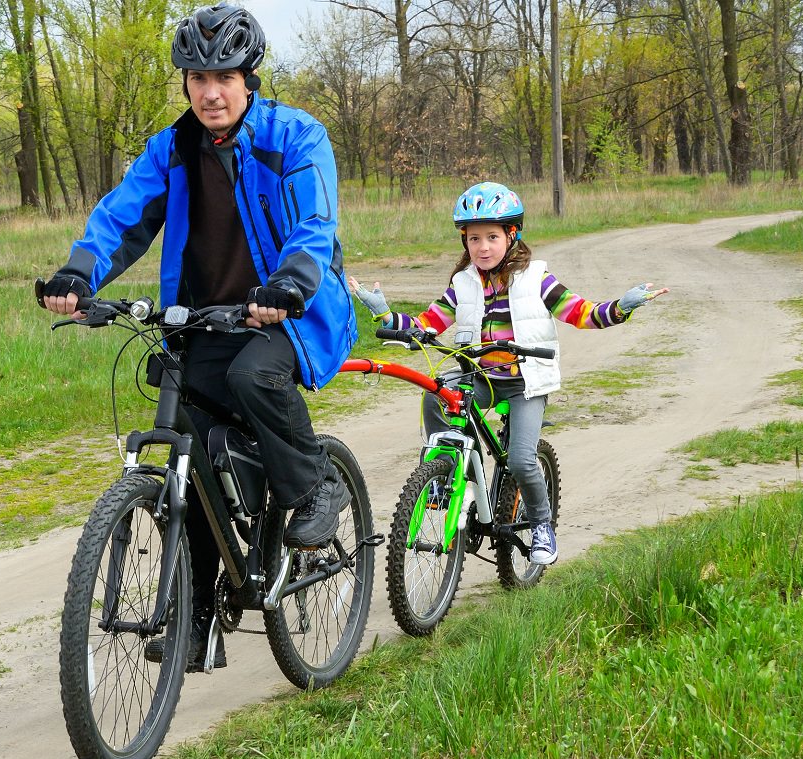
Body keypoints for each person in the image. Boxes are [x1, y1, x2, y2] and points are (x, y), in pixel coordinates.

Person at [39, 4, 356, 672]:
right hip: (204, 316)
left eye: (224, 75)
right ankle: (199, 620)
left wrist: (289, 284)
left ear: (249, 77)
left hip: (290, 314)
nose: (210, 91)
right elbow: (123, 217)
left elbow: (313, 224)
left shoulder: (295, 137)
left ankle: (315, 486)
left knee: (252, 377)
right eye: (197, 76)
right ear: (185, 82)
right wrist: (78, 272)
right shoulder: (174, 148)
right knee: (193, 451)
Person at [348, 181, 668, 566]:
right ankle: (448, 471)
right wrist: (384, 312)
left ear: (512, 236)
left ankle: (542, 524)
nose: (482, 247)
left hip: (526, 383)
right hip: (480, 378)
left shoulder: (537, 279)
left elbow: (581, 313)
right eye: (474, 238)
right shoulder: (462, 284)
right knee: (436, 392)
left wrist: (620, 307)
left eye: (492, 237)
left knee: (520, 460)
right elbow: (426, 325)